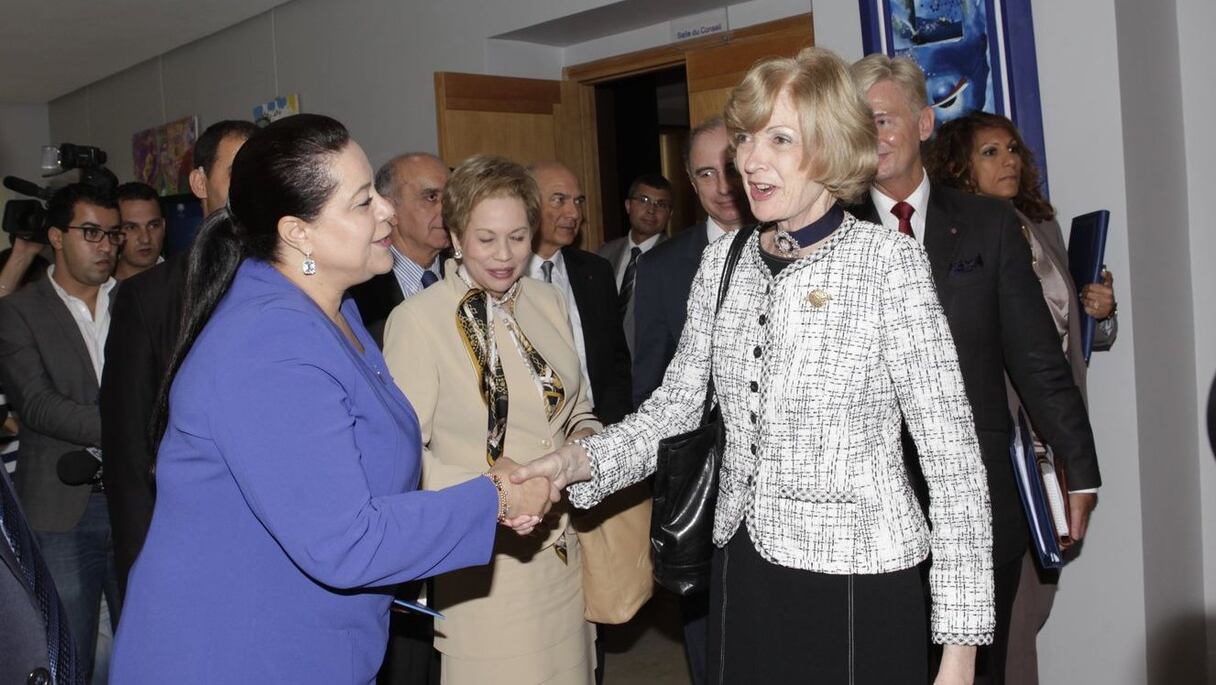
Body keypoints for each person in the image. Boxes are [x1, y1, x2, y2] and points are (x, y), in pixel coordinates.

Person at [516, 47, 994, 684]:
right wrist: (571, 464)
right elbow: (674, 410)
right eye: (745, 137)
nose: (749, 159)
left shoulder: (887, 265)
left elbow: (952, 457)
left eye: (780, 138)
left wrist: (960, 650)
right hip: (740, 567)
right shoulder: (725, 263)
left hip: (857, 580)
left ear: (828, 148)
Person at [109, 115, 555, 684]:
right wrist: (491, 498)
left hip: (309, 638)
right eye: (364, 202)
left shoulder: (333, 310)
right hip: (239, 653)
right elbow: (345, 540)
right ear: (298, 232)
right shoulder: (268, 347)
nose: (388, 212)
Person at [848, 54, 1101, 683]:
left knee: (977, 671)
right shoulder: (831, 230)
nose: (871, 136)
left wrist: (1081, 470)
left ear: (925, 123)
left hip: (981, 500)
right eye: (857, 123)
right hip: (867, 511)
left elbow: (1038, 359)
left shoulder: (987, 224)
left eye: (882, 119)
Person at [383, 154, 602, 684]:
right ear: (456, 235)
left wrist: (579, 451)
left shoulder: (549, 300)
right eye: (486, 239)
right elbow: (402, 458)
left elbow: (581, 412)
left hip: (565, 557)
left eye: (518, 237)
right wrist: (496, 495)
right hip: (485, 568)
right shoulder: (417, 320)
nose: (504, 256)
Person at [926, 111, 1117, 684]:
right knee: (1005, 607)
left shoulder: (1042, 226)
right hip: (1003, 441)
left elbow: (1063, 341)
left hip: (1053, 433)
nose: (1008, 160)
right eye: (990, 152)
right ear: (959, 166)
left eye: (1012, 150)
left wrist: (1100, 312)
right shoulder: (950, 236)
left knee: (1038, 593)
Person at [100, 119, 258, 597]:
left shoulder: (302, 283)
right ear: (199, 183)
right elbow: (128, 451)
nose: (255, 187)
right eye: (239, 172)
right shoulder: (148, 298)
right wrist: (145, 573)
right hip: (188, 542)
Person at [628, 116, 748, 684]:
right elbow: (651, 388)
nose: (723, 186)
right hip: (704, 492)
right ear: (691, 184)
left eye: (730, 167)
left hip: (795, 494)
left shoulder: (804, 244)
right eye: (706, 173)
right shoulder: (663, 267)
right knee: (712, 649)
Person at [0, 182, 123, 680]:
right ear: (55, 236)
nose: (106, 246)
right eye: (91, 232)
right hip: (60, 509)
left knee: (145, 646)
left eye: (112, 235)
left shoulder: (137, 301)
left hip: (135, 500)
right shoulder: (17, 312)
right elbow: (37, 405)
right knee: (68, 654)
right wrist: (133, 425)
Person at [527, 161, 632, 426]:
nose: (574, 212)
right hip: (534, 434)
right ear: (527, 204)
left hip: (598, 428)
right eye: (559, 200)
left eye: (579, 201)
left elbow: (616, 359)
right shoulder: (503, 276)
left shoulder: (595, 271)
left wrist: (614, 422)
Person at [349, 152, 451, 345]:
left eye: (451, 198)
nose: (448, 210)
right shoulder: (358, 294)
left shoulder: (471, 276)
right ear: (389, 209)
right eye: (431, 197)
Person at [597, 173, 673, 356]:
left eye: (661, 205)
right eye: (644, 200)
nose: (651, 210)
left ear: (670, 214)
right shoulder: (603, 254)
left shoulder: (677, 259)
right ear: (628, 205)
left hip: (652, 370)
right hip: (606, 365)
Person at [114, 182, 165, 280]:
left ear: (163, 226)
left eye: (153, 225)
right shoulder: (98, 290)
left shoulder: (186, 282)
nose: (145, 239)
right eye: (131, 227)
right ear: (115, 232)